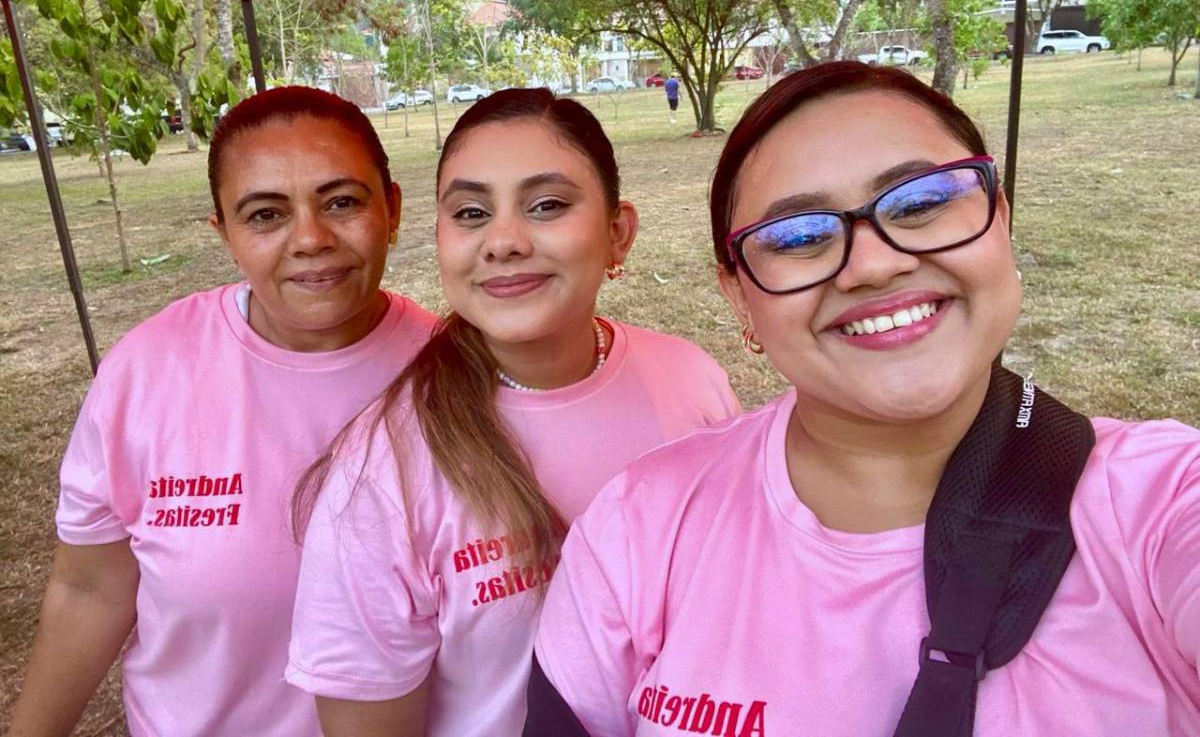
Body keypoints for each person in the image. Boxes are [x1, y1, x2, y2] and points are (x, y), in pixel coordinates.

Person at [530, 62, 1200, 736]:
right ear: (739, 295)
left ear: (999, 217)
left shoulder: (1157, 506)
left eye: (921, 201)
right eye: (797, 237)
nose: (876, 265)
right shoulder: (640, 527)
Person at [285, 88, 739, 736]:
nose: (502, 241)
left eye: (547, 205)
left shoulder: (693, 381)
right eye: (470, 212)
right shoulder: (383, 473)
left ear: (618, 233)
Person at [9, 87, 437, 737]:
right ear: (225, 233)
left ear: (393, 208)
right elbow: (90, 589)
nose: (311, 239)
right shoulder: (148, 372)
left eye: (342, 202)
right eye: (266, 215)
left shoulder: (456, 376)